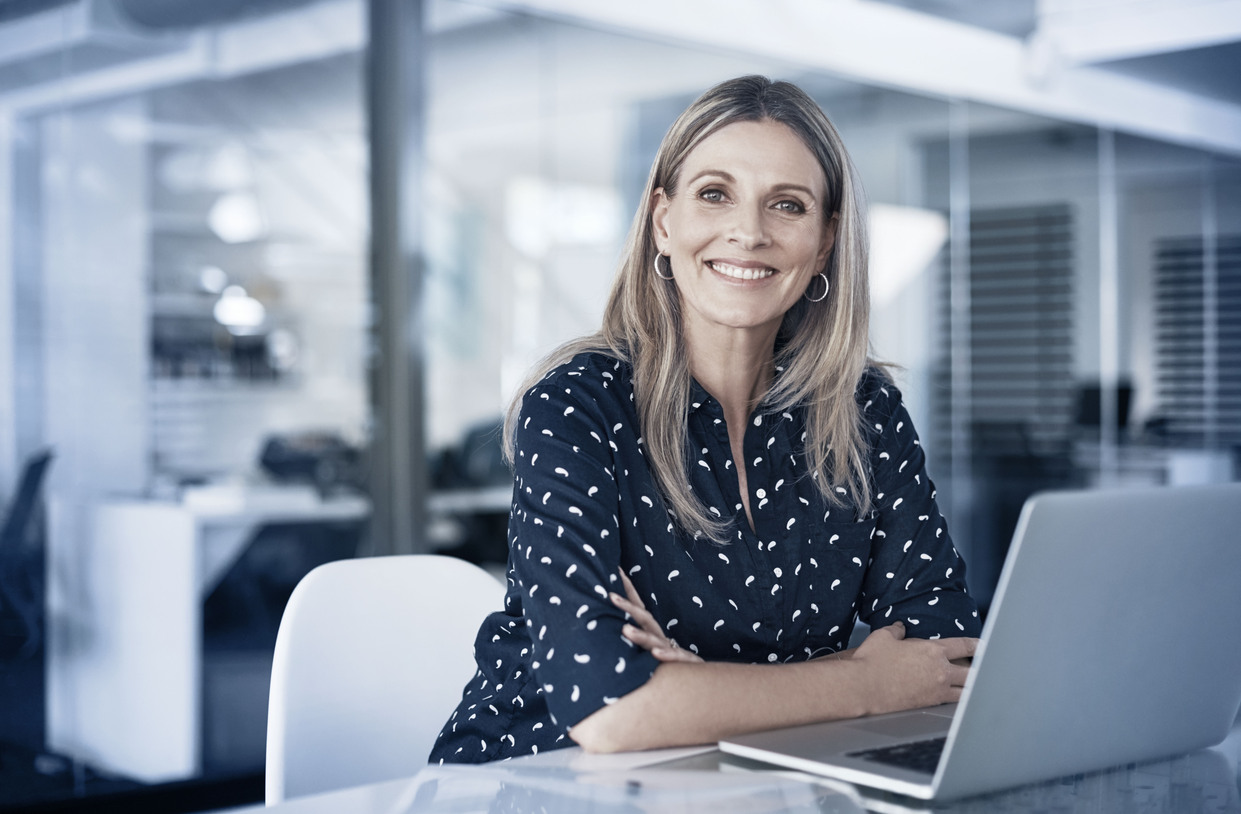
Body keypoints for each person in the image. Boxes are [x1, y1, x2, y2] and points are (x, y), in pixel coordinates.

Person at [430, 75, 981, 764]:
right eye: (714, 194)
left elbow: (945, 655)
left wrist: (697, 691)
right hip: (534, 778)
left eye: (787, 205)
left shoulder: (862, 410)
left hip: (736, 777)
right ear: (664, 221)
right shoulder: (577, 405)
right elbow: (609, 711)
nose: (747, 232)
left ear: (824, 240)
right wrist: (863, 683)